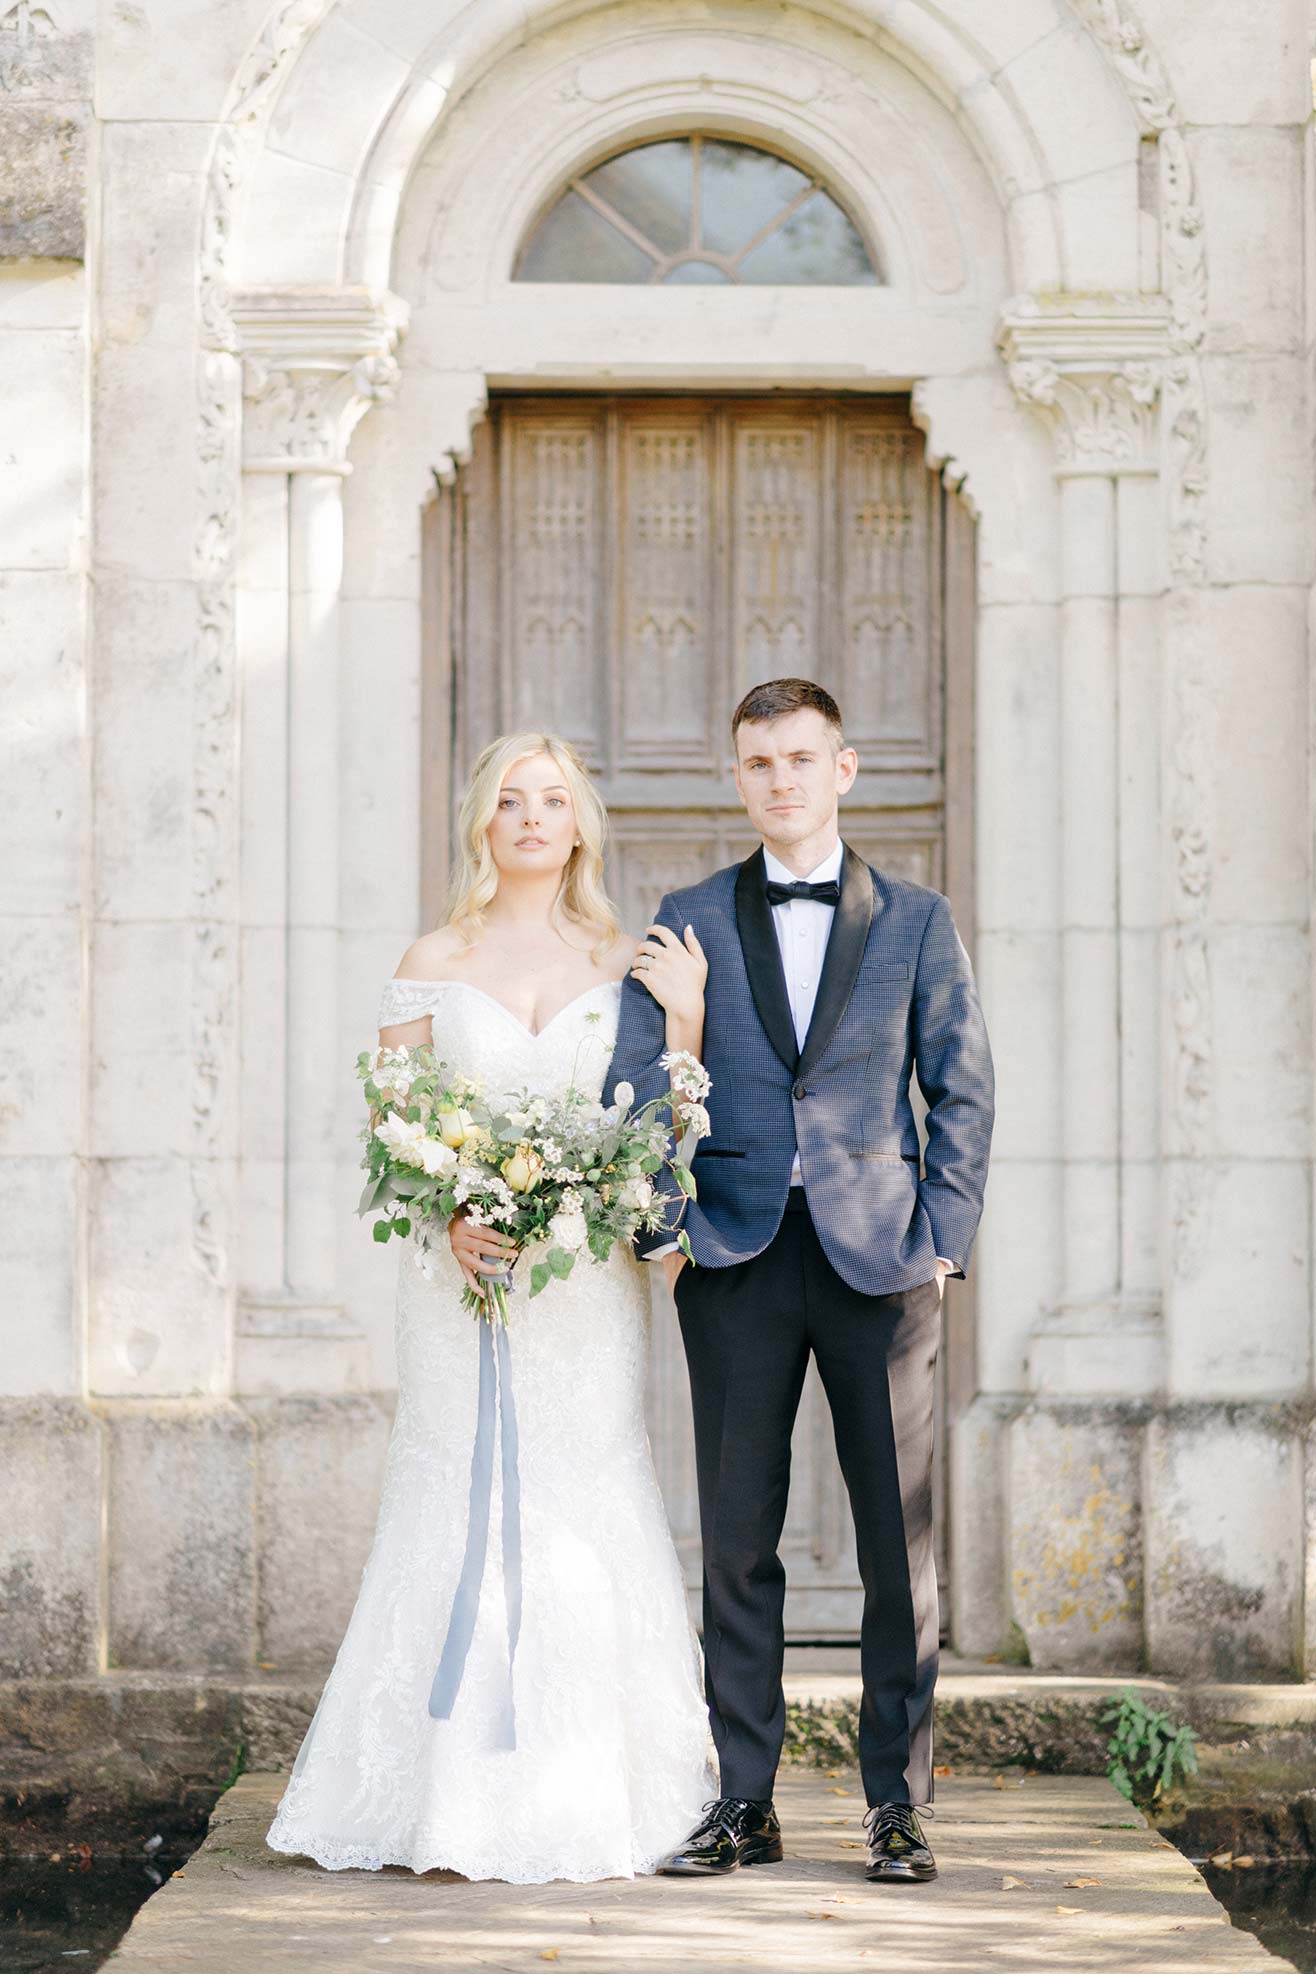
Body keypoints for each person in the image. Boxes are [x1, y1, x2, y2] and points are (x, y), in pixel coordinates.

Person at [265, 731, 715, 1884]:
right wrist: (451, 1216)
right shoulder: (432, 958)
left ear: (577, 825)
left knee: (580, 1499)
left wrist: (683, 1027)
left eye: (550, 800)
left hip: (585, 1293)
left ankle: (590, 1793)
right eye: (509, 800)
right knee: (452, 1498)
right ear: (482, 822)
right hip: (458, 1284)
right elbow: (393, 1126)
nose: (529, 818)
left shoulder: (626, 961)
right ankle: (442, 1799)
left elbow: (660, 1137)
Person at [608, 677, 995, 1886]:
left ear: (842, 768)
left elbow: (962, 1085)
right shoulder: (686, 918)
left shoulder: (916, 919)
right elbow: (634, 1080)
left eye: (799, 758)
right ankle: (743, 1801)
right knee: (736, 1539)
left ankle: (896, 1806)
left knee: (897, 1545)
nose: (779, 779)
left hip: (882, 1260)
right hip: (731, 1256)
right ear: (736, 778)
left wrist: (943, 1236)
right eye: (758, 762)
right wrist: (662, 1227)